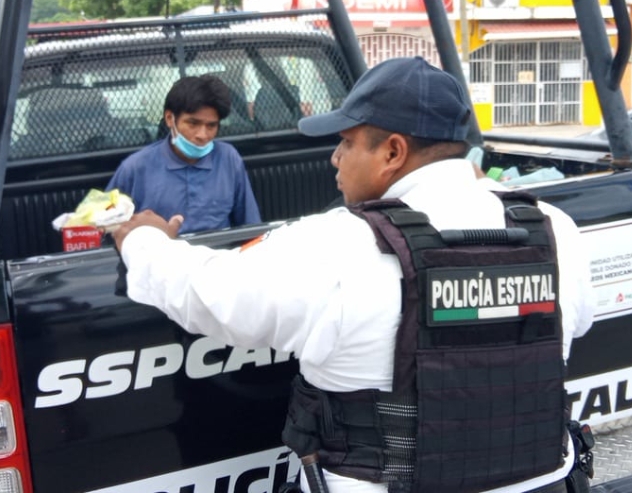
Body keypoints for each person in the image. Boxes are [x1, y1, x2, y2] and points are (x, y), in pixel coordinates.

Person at [112, 57, 595, 493]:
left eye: (346, 142)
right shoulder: (553, 228)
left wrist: (142, 240)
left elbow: (208, 294)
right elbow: (578, 325)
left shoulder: (339, 246)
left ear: (392, 152)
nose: (335, 158)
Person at [105, 74, 260, 233]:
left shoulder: (228, 159)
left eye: (211, 126)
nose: (202, 135)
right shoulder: (135, 168)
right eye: (193, 123)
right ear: (170, 118)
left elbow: (250, 226)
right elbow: (104, 227)